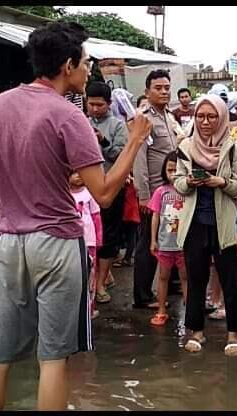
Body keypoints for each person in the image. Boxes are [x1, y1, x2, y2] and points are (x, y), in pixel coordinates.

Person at [0, 22, 151, 410]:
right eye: (87, 62)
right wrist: (135, 139)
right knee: (53, 358)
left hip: (10, 240)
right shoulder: (68, 116)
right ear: (68, 64)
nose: (90, 70)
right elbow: (103, 193)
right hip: (55, 242)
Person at [174, 94, 237, 354]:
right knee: (195, 279)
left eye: (211, 116)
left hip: (225, 224)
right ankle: (196, 331)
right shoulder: (185, 147)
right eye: (200, 116)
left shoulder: (234, 148)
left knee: (230, 278)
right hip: (195, 223)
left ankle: (234, 332)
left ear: (221, 117)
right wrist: (189, 183)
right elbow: (178, 181)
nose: (205, 122)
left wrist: (222, 183)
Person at [132, 69, 180, 309]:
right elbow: (138, 158)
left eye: (166, 87)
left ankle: (171, 284)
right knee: (146, 243)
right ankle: (142, 295)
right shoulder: (143, 118)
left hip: (171, 189)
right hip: (153, 191)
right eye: (158, 88)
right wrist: (144, 194)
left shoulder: (169, 116)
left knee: (170, 236)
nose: (163, 92)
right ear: (147, 91)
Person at [86, 81, 129, 305]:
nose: (94, 109)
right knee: (91, 236)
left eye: (99, 105)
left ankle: (100, 283)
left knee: (109, 236)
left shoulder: (118, 126)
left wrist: (103, 141)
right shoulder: (81, 123)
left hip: (111, 187)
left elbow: (121, 156)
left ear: (109, 104)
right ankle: (96, 278)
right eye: (91, 104)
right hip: (85, 191)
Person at [149, 151, 188, 326]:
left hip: (184, 244)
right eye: (169, 170)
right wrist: (153, 240)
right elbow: (155, 216)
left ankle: (190, 311)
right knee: (163, 277)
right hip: (165, 244)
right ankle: (161, 310)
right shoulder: (160, 192)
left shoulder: (189, 191)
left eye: (177, 170)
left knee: (186, 277)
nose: (173, 174)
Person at [70, 175, 102, 320]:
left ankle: (89, 307)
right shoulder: (63, 194)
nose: (78, 176)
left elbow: (96, 217)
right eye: (73, 172)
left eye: (79, 172)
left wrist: (98, 240)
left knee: (90, 275)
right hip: (70, 240)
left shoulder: (90, 193)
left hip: (89, 241)